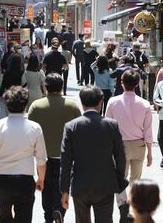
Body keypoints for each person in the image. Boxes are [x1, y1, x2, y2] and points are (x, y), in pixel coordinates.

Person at [0, 86, 47, 223]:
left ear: (6, 104)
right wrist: (41, 179)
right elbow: (41, 160)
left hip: (2, 180)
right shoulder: (35, 127)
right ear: (26, 104)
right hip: (25, 180)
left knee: (4, 218)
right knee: (24, 218)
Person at [60, 86, 127, 223]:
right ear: (101, 102)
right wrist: (118, 180)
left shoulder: (71, 126)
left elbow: (65, 161)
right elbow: (121, 157)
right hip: (105, 184)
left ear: (82, 103)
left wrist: (64, 190)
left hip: (80, 184)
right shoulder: (111, 125)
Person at [28, 74, 81, 222]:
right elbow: (79, 131)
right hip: (65, 156)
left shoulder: (36, 106)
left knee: (45, 186)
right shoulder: (72, 106)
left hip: (42, 156)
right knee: (63, 186)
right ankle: (59, 211)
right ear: (61, 86)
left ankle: (48, 216)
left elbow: (30, 131)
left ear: (46, 87)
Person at [105, 69, 153, 222]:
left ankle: (122, 206)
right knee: (135, 178)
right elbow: (148, 130)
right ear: (137, 84)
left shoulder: (113, 102)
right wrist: (150, 151)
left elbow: (107, 126)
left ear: (121, 83)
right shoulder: (145, 104)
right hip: (139, 145)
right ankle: (132, 205)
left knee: (120, 178)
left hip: (119, 145)